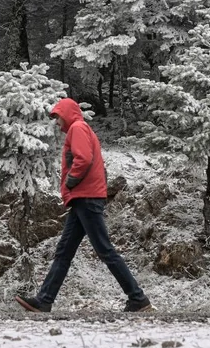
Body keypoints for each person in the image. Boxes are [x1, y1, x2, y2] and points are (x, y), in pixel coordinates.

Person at [15, 97, 153, 312]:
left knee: (104, 250)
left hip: (86, 197)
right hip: (84, 198)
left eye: (58, 117)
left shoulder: (77, 128)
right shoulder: (80, 128)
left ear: (67, 114)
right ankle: (44, 300)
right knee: (64, 252)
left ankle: (138, 298)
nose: (56, 122)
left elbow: (84, 158)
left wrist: (71, 180)